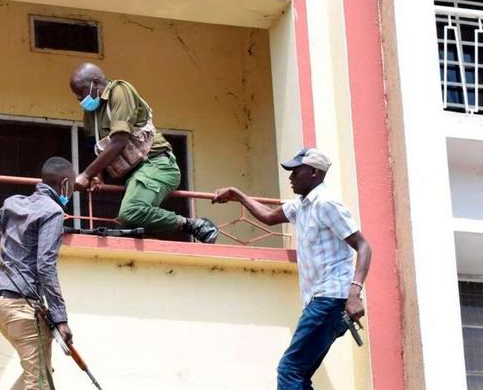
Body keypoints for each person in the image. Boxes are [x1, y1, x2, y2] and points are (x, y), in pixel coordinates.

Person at [212, 148, 372, 390]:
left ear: (314, 173)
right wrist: (237, 194)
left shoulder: (326, 203)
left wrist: (354, 293)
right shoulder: (301, 205)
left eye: (295, 172)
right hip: (320, 300)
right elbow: (268, 217)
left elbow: (363, 245)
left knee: (290, 369)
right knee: (299, 372)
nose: (290, 177)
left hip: (331, 298)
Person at [69, 63, 218, 243]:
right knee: (122, 231)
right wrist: (97, 175)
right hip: (133, 174)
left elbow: (120, 140)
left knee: (131, 212)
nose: (80, 98)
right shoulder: (91, 113)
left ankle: (193, 225)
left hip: (156, 164)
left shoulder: (119, 91)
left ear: (95, 82)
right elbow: (96, 146)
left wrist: (86, 174)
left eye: (81, 92)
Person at [0, 156, 75, 390]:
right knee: (38, 381)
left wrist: (9, 240)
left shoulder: (13, 203)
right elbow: (45, 266)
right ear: (64, 184)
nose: (70, 194)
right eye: (71, 187)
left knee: (40, 373)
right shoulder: (53, 212)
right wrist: (61, 319)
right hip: (21, 306)